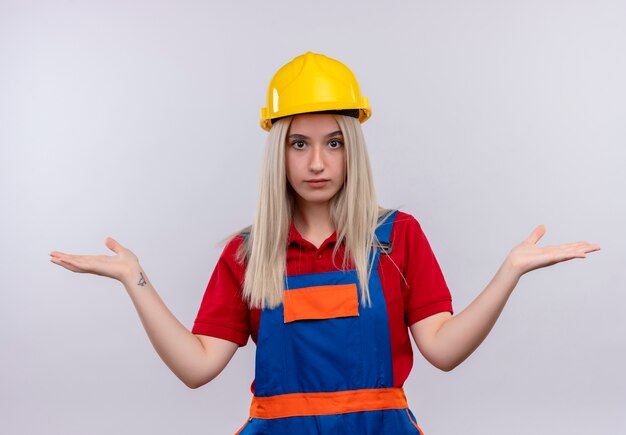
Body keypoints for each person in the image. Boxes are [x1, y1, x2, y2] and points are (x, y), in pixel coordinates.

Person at [49, 52, 600, 434]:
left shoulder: (397, 238)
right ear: (278, 153)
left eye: (334, 142)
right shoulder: (247, 256)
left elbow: (444, 351)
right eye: (300, 144)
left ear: (352, 147)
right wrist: (135, 280)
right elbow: (197, 367)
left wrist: (508, 271)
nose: (317, 161)